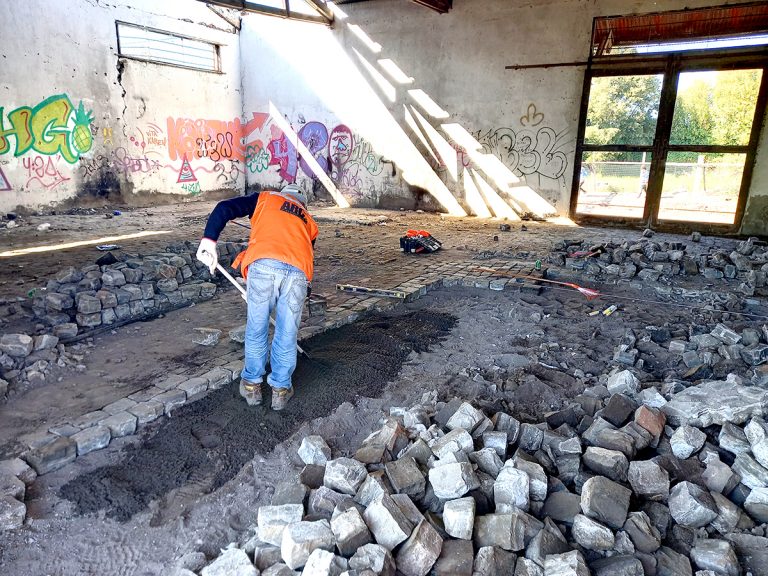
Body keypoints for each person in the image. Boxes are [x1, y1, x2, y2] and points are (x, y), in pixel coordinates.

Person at [196, 184, 318, 411]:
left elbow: (224, 208)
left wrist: (209, 241)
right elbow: (305, 254)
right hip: (298, 274)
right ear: (302, 203)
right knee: (287, 332)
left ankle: (252, 386)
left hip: (264, 267)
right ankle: (281, 390)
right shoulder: (308, 220)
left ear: (283, 193)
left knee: (257, 328)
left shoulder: (266, 198)